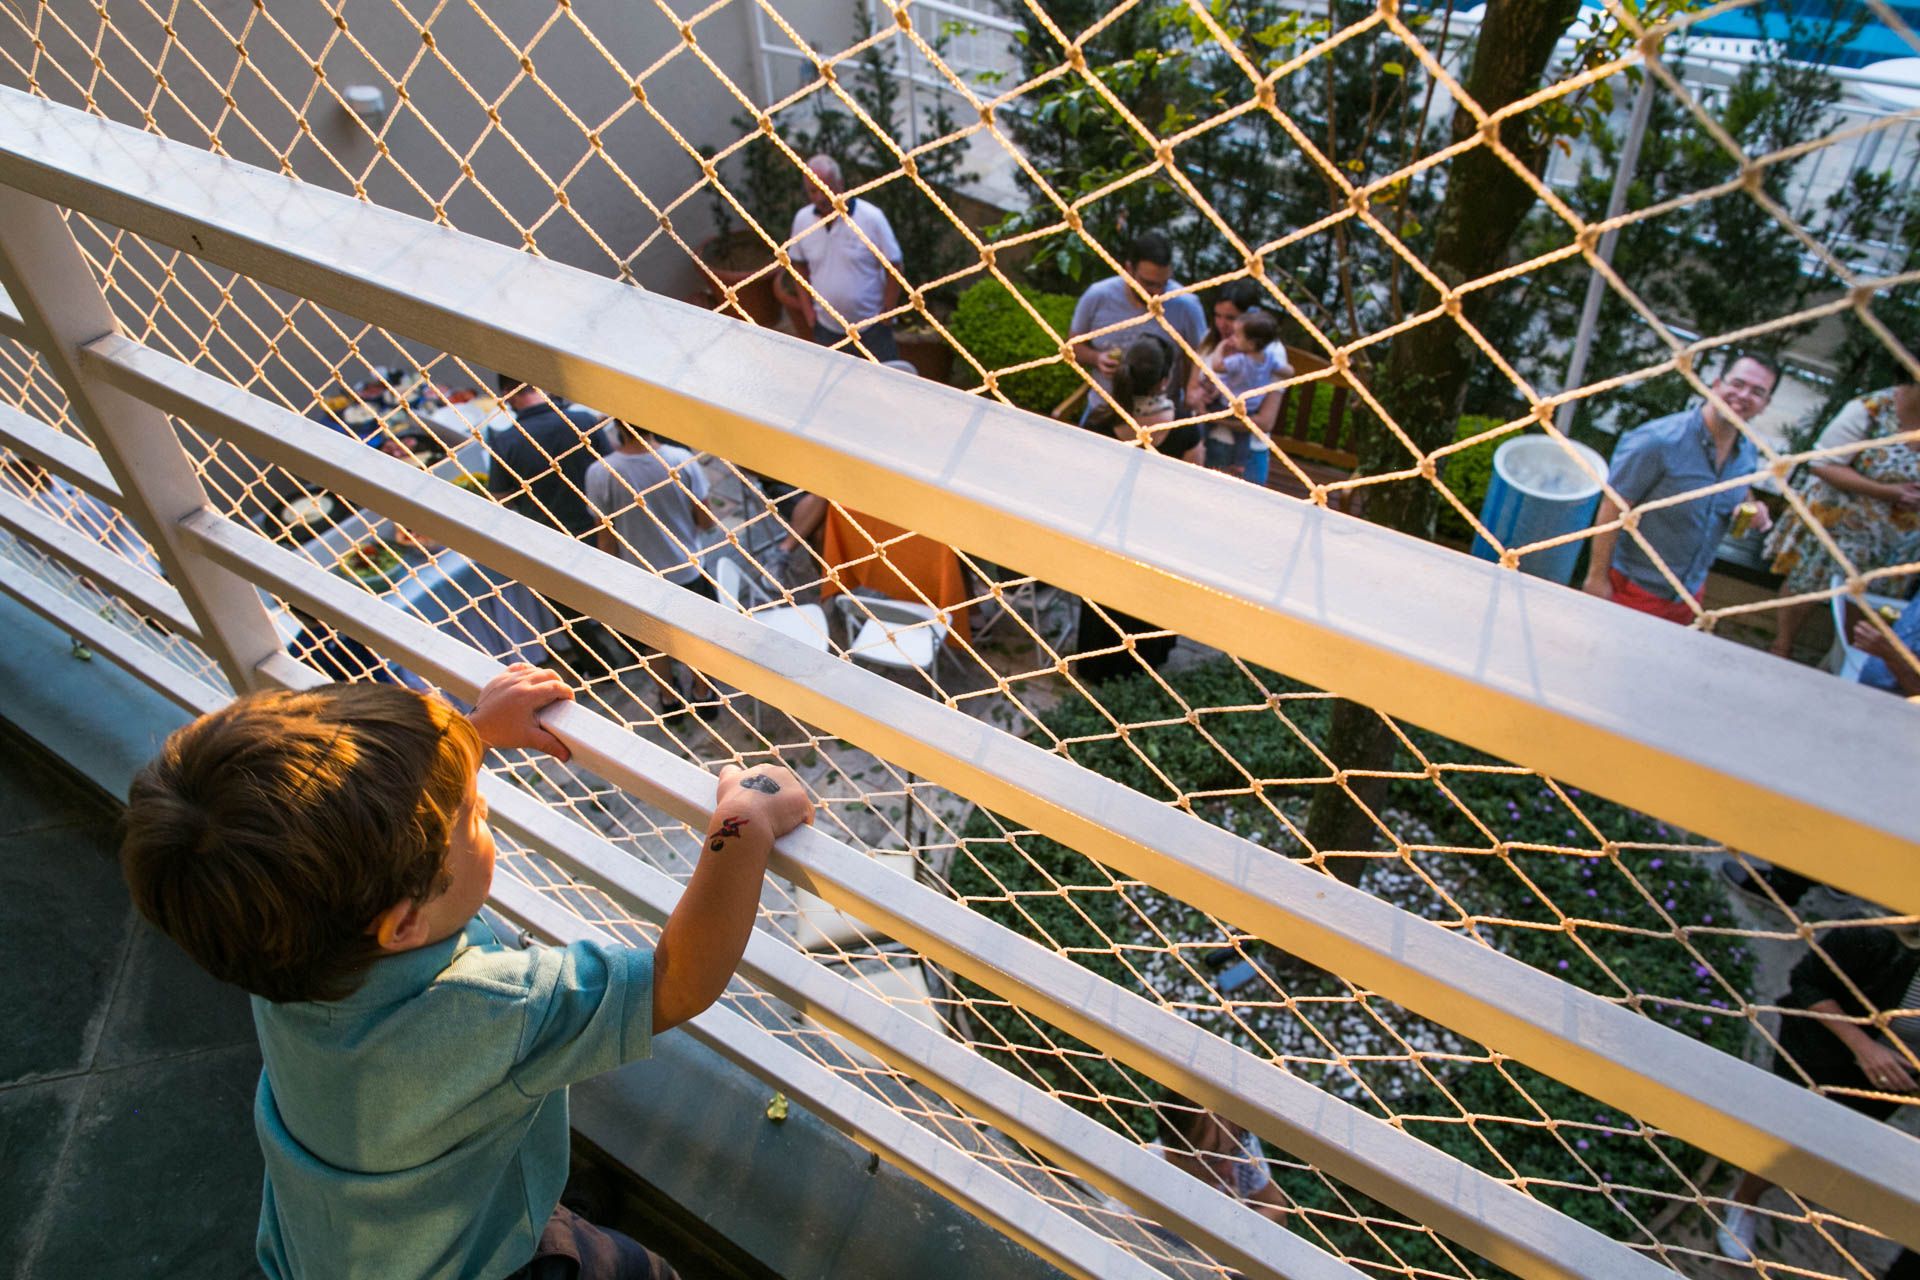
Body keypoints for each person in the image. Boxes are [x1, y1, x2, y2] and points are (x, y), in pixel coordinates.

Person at [119, 668, 815, 1280]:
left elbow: (345, 830)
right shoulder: (487, 1009)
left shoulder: (281, 938)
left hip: (335, 1250)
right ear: (402, 925)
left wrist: (468, 735)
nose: (482, 811)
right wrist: (740, 822)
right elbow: (677, 979)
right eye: (474, 816)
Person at [1715, 918, 1919, 1263]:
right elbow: (1806, 982)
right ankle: (1744, 1201)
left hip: (1893, 1083)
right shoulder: (1877, 935)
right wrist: (1865, 1048)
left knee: (1831, 1142)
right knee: (1790, 1141)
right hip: (1822, 1058)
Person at [1580, 355, 1779, 622]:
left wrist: (1754, 507)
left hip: (1690, 594)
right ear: (1716, 384)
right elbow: (1613, 505)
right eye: (1738, 383)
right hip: (1633, 590)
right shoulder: (1658, 441)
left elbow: (1740, 487)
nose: (1744, 395)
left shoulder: (1748, 451)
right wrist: (1596, 579)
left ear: (1765, 405)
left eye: (1757, 392)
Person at [1071, 336, 1204, 685]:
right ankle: (1146, 668)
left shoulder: (1099, 422)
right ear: (1165, 379)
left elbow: (1088, 484)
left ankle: (1099, 667)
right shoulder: (1186, 427)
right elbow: (1193, 490)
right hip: (1161, 539)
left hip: (1110, 537)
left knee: (1106, 600)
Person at [1763, 380, 1920, 659]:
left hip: (1898, 540)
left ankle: (1841, 664)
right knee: (1806, 584)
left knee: (1871, 604)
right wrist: (1889, 492)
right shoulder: (1871, 410)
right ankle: (1781, 647)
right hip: (1838, 523)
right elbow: (1822, 464)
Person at [585, 421, 720, 717]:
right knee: (696, 640)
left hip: (639, 579)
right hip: (688, 570)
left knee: (653, 645)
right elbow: (706, 521)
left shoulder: (601, 473)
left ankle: (669, 698)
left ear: (616, 424)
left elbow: (605, 538)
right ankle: (703, 695)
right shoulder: (680, 460)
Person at [488, 373, 616, 672]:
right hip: (598, 525)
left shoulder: (506, 442)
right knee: (615, 592)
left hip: (548, 536)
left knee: (569, 610)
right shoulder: (581, 420)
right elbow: (612, 469)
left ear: (508, 395)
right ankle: (637, 648)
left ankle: (599, 667)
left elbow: (500, 496)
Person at [773, 154, 904, 363]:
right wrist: (808, 311)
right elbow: (797, 263)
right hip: (827, 329)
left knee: (885, 385)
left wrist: (888, 312)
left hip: (872, 329)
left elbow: (894, 264)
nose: (820, 198)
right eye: (813, 191)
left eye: (825, 189)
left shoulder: (871, 218)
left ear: (840, 184)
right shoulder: (802, 220)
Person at [1068, 231, 1208, 423]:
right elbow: (1073, 346)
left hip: (1162, 418)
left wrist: (1193, 388)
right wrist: (1097, 358)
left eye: (1163, 284)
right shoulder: (1097, 296)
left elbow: (1201, 355)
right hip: (1104, 410)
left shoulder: (1187, 305)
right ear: (1128, 269)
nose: (1157, 293)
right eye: (1149, 283)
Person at [1186, 306, 1290, 488]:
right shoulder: (1269, 358)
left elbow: (1218, 366)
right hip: (1249, 407)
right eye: (1217, 315)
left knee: (1206, 420)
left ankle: (1200, 443)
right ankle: (1239, 464)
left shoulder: (1241, 360)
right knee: (1242, 438)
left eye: (1236, 335)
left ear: (1250, 344)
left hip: (1229, 405)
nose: (1231, 337)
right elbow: (1289, 371)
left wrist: (1221, 347)